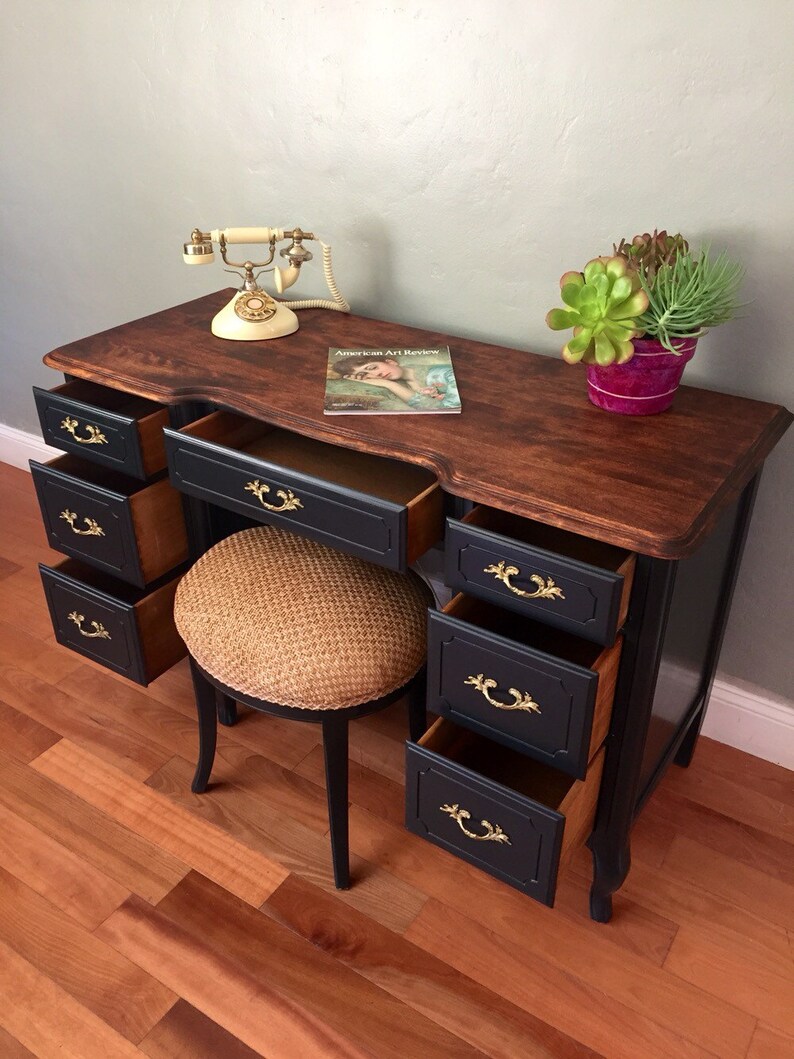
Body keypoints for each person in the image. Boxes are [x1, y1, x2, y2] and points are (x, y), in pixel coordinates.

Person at [331, 354, 459, 409]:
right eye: (365, 375)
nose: (376, 374)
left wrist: (388, 384)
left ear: (390, 362)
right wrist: (389, 384)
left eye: (373, 367)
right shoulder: (407, 384)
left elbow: (445, 408)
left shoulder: (444, 374)